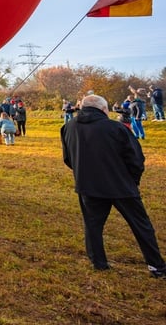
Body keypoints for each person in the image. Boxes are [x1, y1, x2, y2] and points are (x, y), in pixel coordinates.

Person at [60, 94, 166, 278]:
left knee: (93, 225)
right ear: (103, 109)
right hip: (120, 185)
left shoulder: (67, 127)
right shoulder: (115, 127)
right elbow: (136, 159)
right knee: (141, 226)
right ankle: (156, 266)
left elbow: (68, 159)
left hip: (88, 185)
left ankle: (98, 262)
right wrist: (132, 181)